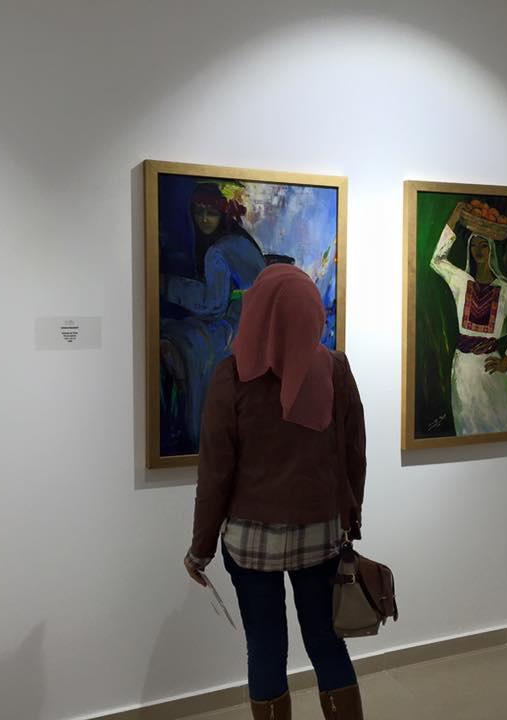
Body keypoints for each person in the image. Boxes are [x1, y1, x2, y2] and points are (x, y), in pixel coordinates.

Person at [183, 264, 367, 720]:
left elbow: (215, 474)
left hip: (250, 543)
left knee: (265, 647)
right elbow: (354, 454)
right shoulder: (335, 369)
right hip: (320, 535)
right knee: (327, 643)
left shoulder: (231, 377)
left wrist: (201, 548)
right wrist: (351, 517)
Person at [160, 182, 267, 452]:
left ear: (224, 215)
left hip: (235, 328)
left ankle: (198, 434)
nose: (204, 219)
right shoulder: (243, 242)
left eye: (211, 213)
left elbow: (213, 304)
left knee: (181, 339)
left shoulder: (217, 251)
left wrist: (167, 285)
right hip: (255, 327)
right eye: (199, 212)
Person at [430, 201, 507, 435]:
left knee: (504, 428)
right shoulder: (461, 281)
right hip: (464, 368)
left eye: (484, 245)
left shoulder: (505, 290)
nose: (479, 250)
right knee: (468, 429)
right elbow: (436, 260)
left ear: (491, 250)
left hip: (492, 369)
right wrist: (454, 218)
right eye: (474, 245)